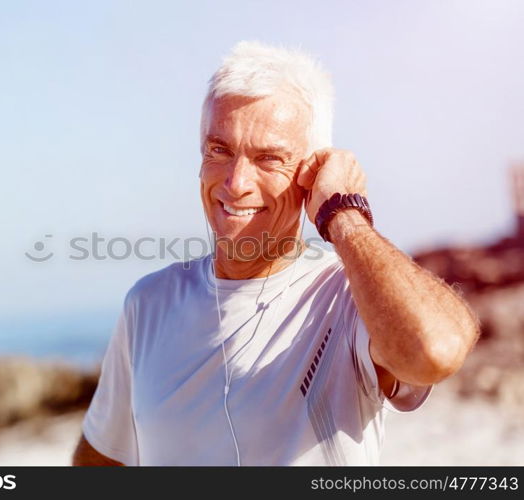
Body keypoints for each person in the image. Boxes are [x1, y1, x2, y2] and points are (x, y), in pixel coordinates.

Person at [72, 41, 479, 466]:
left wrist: (344, 214)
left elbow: (436, 350)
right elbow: (101, 457)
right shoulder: (148, 303)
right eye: (220, 150)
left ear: (313, 170)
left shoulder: (350, 298)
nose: (236, 183)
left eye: (269, 159)